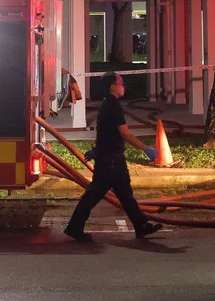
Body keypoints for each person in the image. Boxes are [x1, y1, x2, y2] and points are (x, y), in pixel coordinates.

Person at [64, 72, 163, 242]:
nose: (123, 86)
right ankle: (75, 227)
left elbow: (104, 132)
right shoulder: (113, 106)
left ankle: (141, 226)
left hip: (113, 158)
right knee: (94, 195)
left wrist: (96, 149)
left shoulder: (106, 105)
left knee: (125, 195)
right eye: (120, 83)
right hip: (110, 161)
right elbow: (124, 133)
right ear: (112, 86)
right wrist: (146, 149)